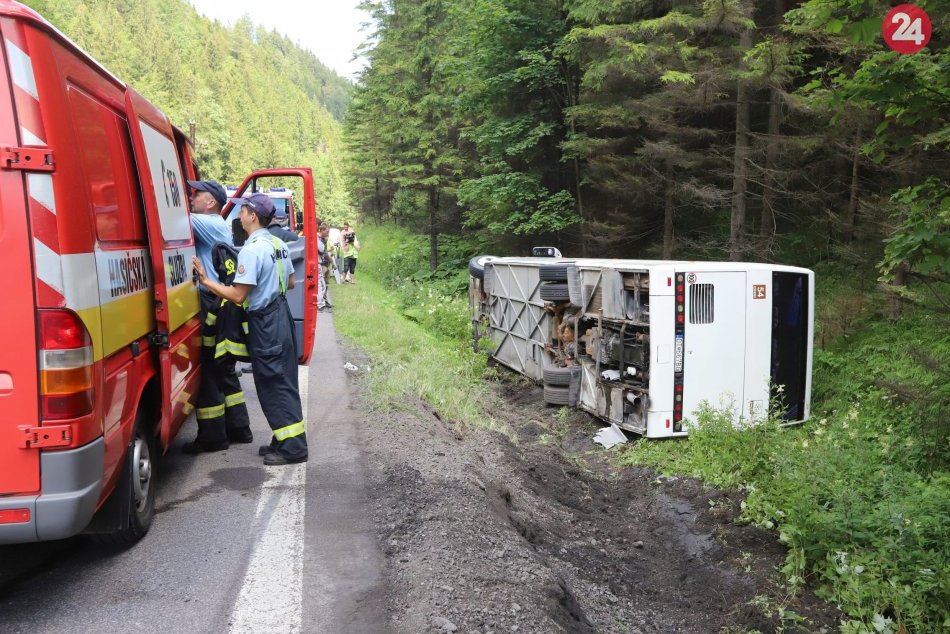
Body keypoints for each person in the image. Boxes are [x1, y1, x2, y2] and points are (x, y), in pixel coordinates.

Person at [192, 193, 308, 466]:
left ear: (253, 215)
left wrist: (206, 280)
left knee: (272, 383)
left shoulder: (252, 249)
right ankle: (282, 439)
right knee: (284, 380)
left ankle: (293, 448)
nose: (239, 215)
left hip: (265, 322)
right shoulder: (278, 243)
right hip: (282, 315)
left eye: (243, 210)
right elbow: (290, 282)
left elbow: (237, 296)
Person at [184, 179, 253, 454]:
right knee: (223, 367)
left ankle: (212, 438)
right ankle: (239, 429)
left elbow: (169, 213)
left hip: (210, 300)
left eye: (196, 194)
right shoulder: (218, 225)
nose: (191, 197)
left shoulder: (208, 223)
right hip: (219, 301)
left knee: (209, 367)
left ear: (211, 202)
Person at [317, 221, 332, 312]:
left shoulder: (323, 239)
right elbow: (322, 249)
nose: (328, 233)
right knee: (321, 284)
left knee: (324, 284)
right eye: (327, 231)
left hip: (325, 263)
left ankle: (324, 301)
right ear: (321, 230)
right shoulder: (318, 238)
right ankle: (320, 304)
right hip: (320, 264)